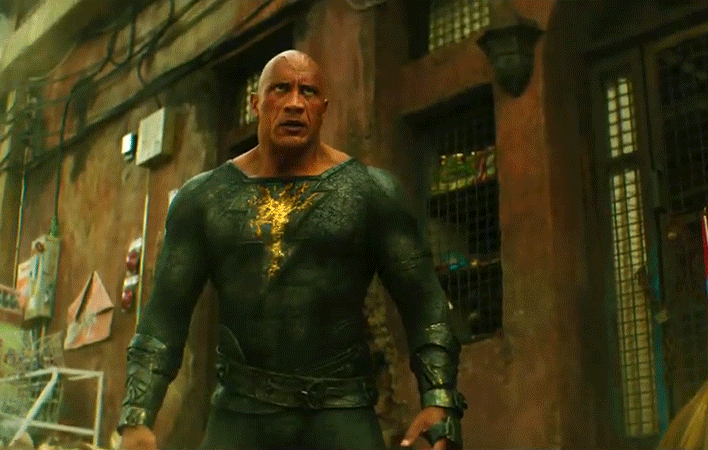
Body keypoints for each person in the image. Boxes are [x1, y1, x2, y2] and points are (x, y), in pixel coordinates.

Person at [117, 50, 466, 450]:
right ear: (256, 104)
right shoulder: (205, 199)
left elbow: (423, 302)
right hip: (241, 409)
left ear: (323, 109)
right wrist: (136, 416)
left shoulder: (369, 192)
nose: (295, 103)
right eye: (281, 89)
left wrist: (439, 401)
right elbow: (164, 314)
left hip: (340, 407)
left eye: (308, 92)